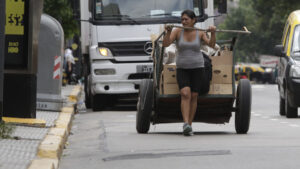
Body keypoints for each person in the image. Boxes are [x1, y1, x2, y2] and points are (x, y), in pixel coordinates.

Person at [162, 9, 216, 136]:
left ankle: (189, 126)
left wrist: (213, 33)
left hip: (198, 68)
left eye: (186, 19)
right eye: (182, 19)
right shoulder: (177, 31)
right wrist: (168, 31)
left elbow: (212, 45)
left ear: (193, 20)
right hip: (182, 68)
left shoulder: (200, 33)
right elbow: (165, 43)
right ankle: (185, 123)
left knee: (194, 96)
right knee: (185, 93)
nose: (183, 22)